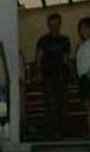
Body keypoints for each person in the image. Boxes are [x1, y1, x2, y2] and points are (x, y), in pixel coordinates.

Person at [35, 12, 72, 140]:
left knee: (62, 103)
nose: (53, 28)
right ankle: (54, 131)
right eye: (51, 25)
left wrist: (70, 73)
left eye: (56, 25)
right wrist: (39, 73)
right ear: (48, 25)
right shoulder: (43, 40)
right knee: (51, 103)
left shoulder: (65, 40)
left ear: (60, 24)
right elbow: (38, 58)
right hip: (48, 76)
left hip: (61, 75)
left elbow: (67, 58)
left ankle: (62, 130)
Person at [76, 17, 90, 137]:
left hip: (88, 76)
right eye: (81, 29)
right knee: (88, 108)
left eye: (85, 28)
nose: (83, 31)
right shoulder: (82, 45)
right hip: (83, 78)